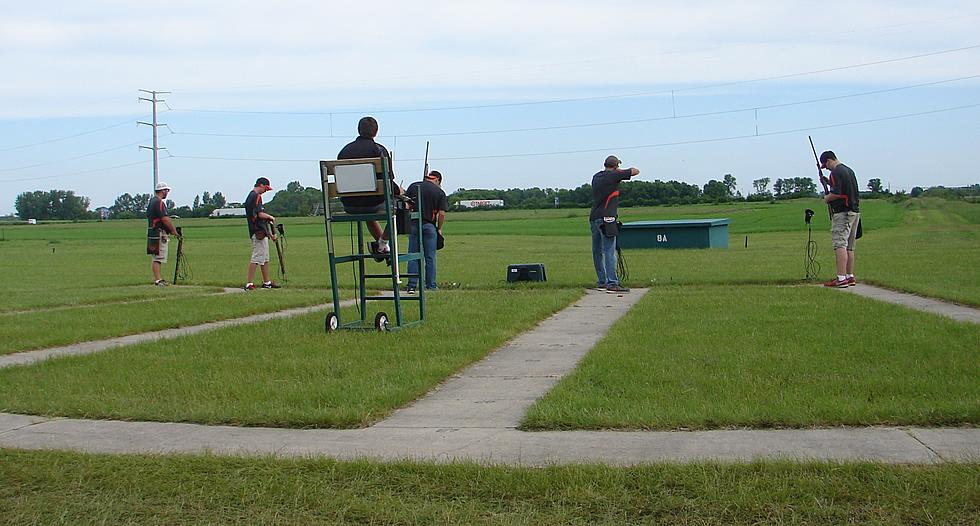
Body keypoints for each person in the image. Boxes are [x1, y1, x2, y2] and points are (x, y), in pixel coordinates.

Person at [337, 116, 403, 260]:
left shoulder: (343, 152)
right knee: (402, 210)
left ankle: (382, 248)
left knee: (369, 214)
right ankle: (382, 244)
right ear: (376, 131)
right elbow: (388, 182)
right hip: (373, 204)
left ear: (358, 130)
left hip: (350, 205)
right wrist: (400, 192)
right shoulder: (379, 150)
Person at [590, 155, 639, 294]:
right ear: (616, 166)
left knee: (597, 251)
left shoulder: (596, 176)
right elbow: (635, 171)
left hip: (594, 217)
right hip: (607, 218)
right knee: (609, 250)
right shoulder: (613, 176)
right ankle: (612, 283)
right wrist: (620, 171)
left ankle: (602, 281)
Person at [819, 151, 860, 288]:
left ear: (829, 160)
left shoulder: (836, 172)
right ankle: (849, 276)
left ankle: (841, 278)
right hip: (854, 212)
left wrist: (826, 198)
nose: (827, 168)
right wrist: (827, 182)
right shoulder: (848, 171)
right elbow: (842, 188)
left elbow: (837, 193)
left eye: (826, 165)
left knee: (839, 244)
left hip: (843, 213)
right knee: (849, 246)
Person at [404, 170, 449, 293]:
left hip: (413, 225)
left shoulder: (413, 186)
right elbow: (442, 214)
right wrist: (439, 228)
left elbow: (406, 206)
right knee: (430, 257)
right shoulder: (439, 192)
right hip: (429, 226)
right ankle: (431, 286)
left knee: (413, 255)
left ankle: (411, 285)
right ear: (438, 180)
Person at [243, 177, 281, 290]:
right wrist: (270, 217)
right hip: (257, 231)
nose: (265, 191)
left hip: (261, 231)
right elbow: (259, 214)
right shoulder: (256, 196)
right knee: (256, 257)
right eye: (265, 188)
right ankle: (249, 283)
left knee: (264, 258)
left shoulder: (251, 196)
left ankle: (267, 282)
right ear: (261, 185)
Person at [147, 181, 179, 286]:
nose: (167, 192)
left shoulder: (151, 202)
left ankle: (158, 279)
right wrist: (173, 231)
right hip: (159, 232)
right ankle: (158, 280)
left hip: (152, 232)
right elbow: (165, 219)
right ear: (162, 191)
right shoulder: (159, 202)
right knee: (158, 257)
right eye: (166, 190)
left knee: (156, 256)